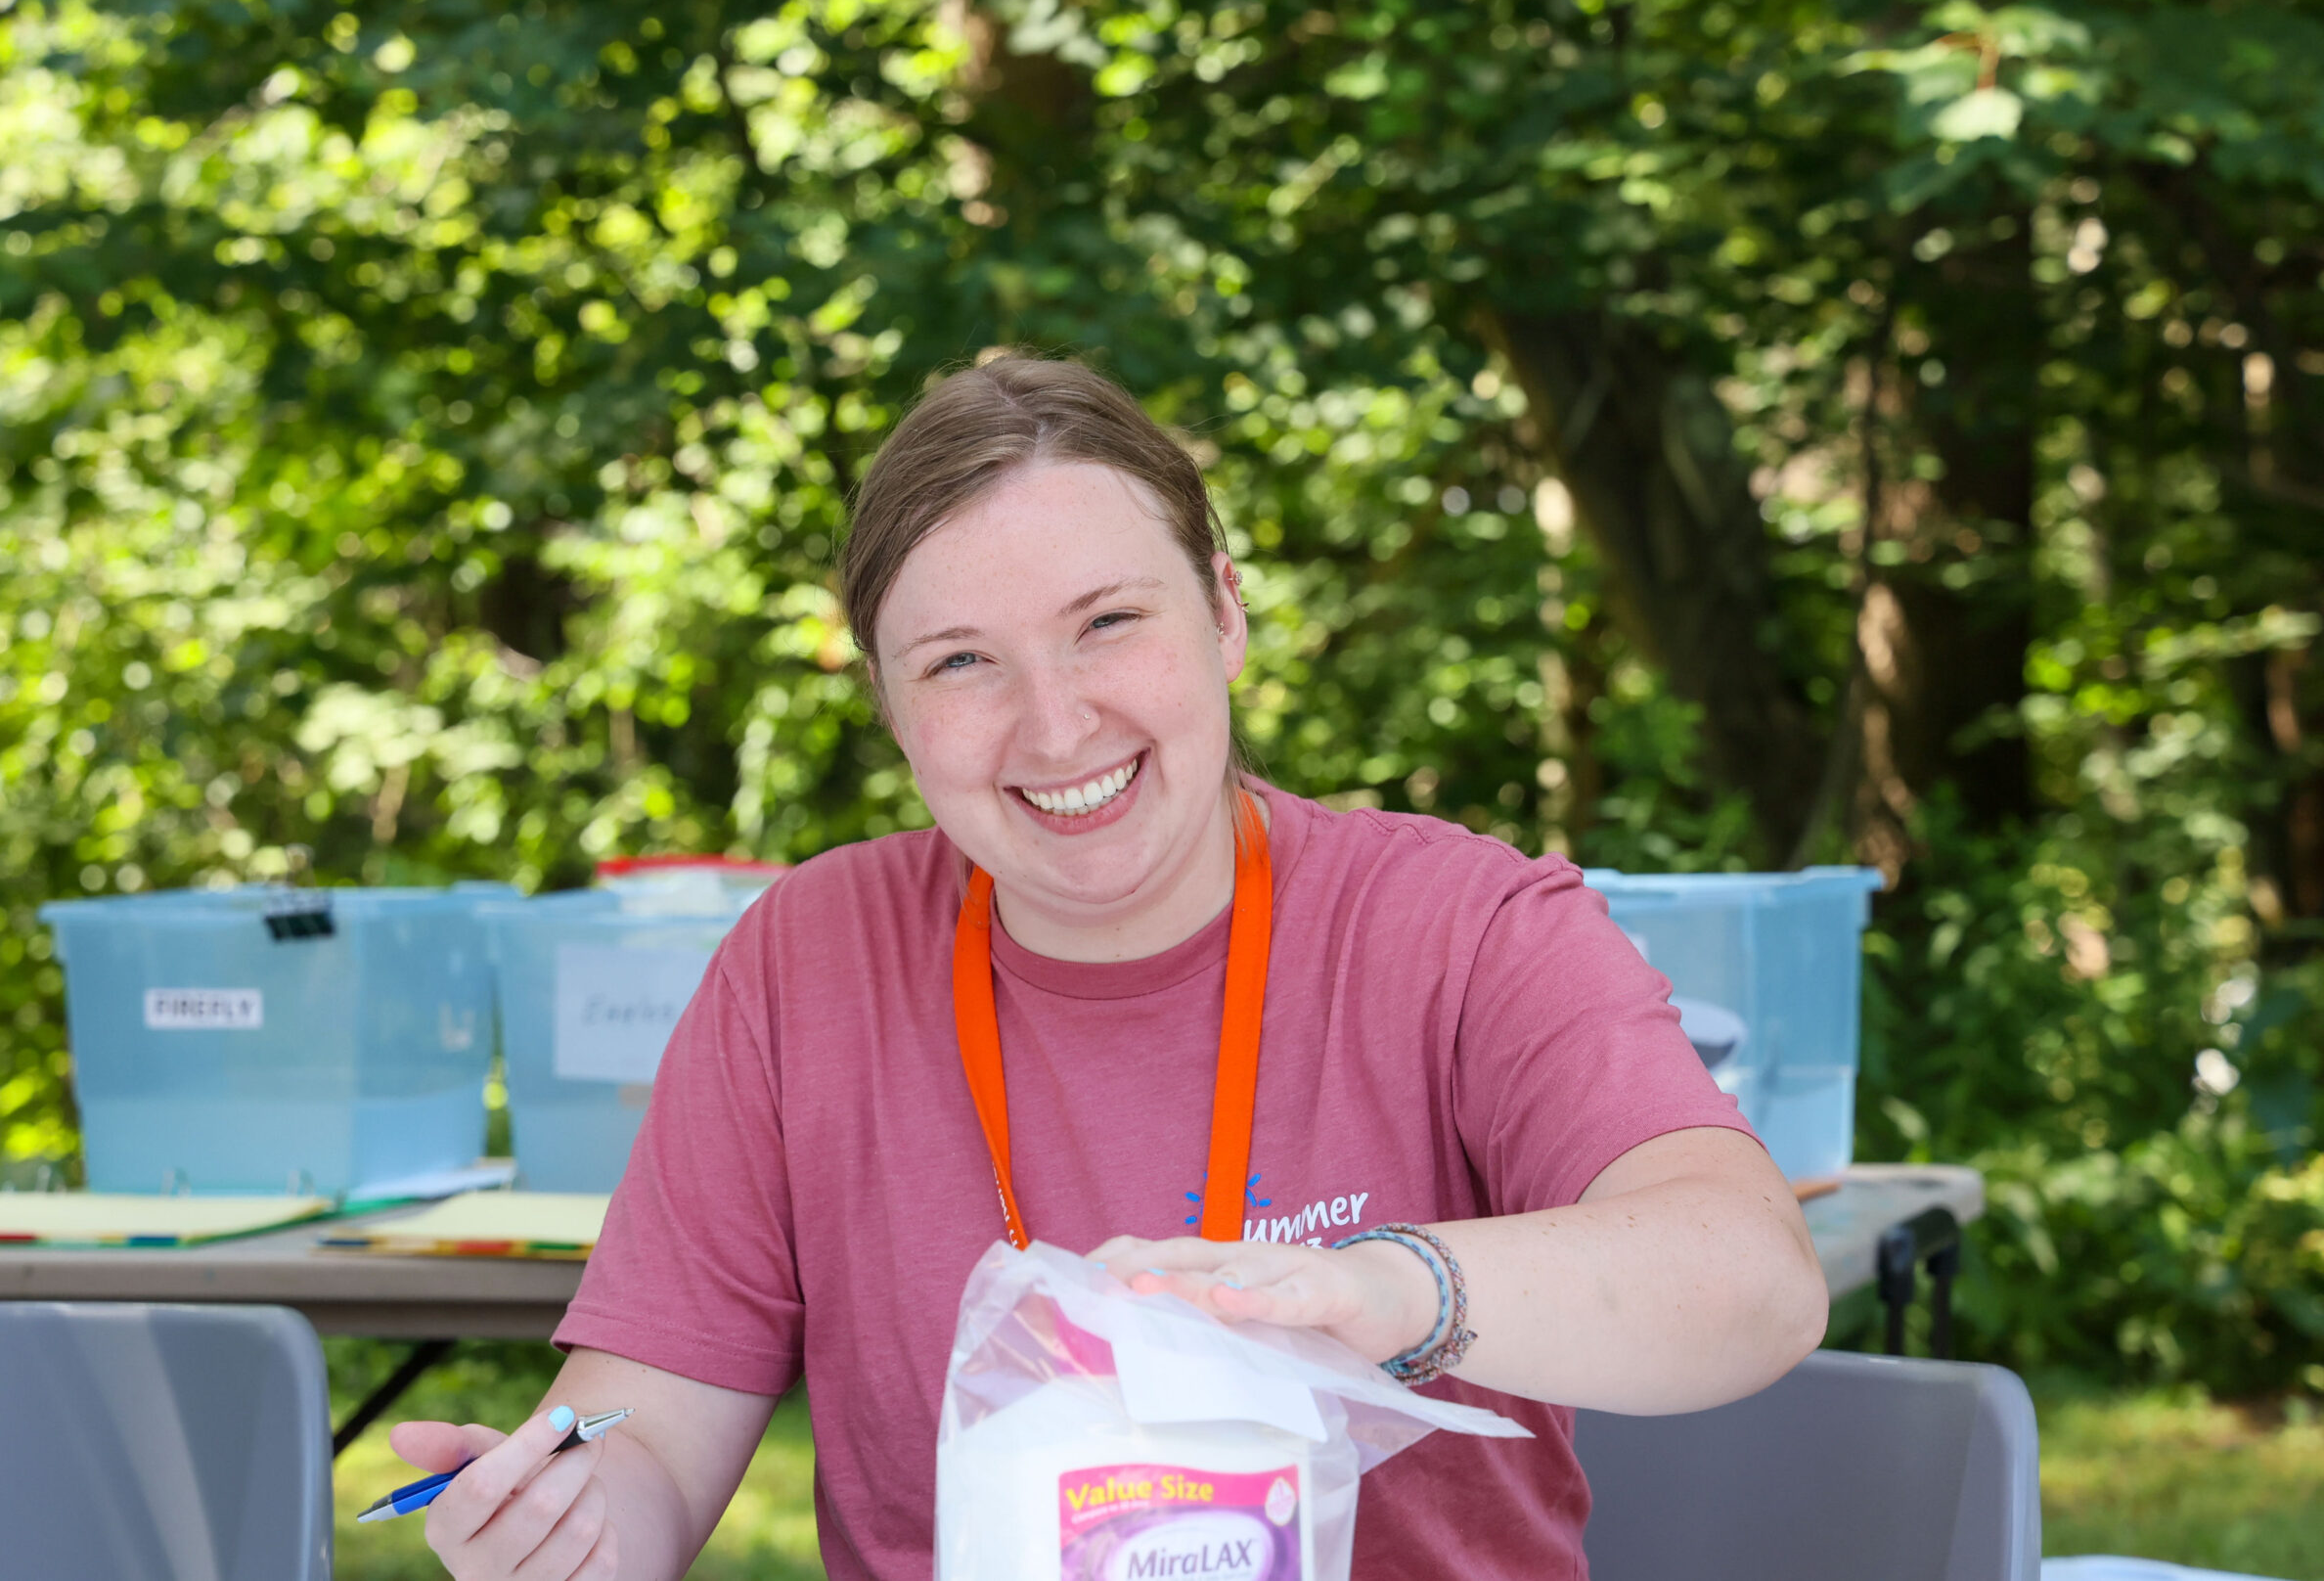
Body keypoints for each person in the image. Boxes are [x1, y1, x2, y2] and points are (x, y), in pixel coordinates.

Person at [390, 353, 1828, 1581]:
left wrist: (1390, 1293)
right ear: (889, 706)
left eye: (1109, 624)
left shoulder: (1459, 923)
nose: (1057, 726)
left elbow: (1750, 1279)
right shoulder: (801, 966)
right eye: (962, 663)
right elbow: (631, 1423)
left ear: (1224, 611)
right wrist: (561, 1509)